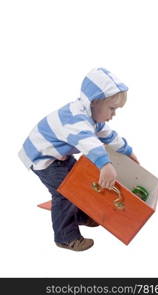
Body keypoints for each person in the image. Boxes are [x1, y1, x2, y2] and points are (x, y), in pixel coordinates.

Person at [18, 67, 139, 251]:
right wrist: (105, 164)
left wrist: (127, 151)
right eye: (112, 108)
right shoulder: (76, 118)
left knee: (80, 182)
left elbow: (108, 135)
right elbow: (89, 142)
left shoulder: (94, 118)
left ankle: (80, 215)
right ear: (94, 102)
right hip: (42, 158)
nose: (113, 114)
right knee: (66, 192)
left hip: (58, 155)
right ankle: (65, 237)